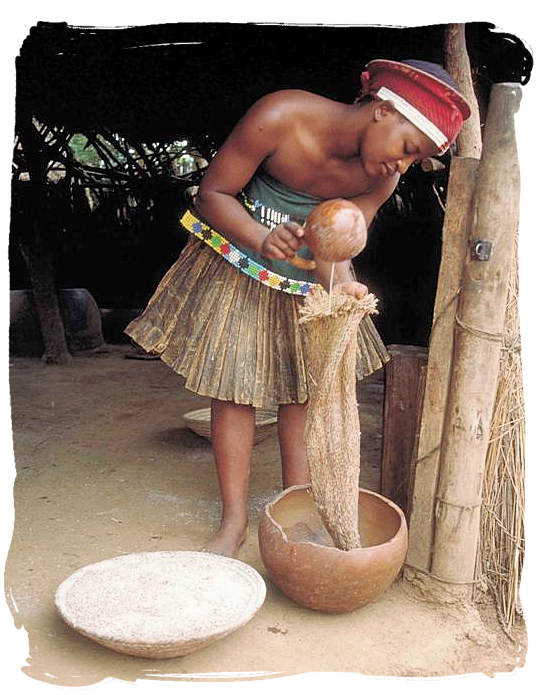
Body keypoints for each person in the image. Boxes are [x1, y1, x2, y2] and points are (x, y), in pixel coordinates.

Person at [125, 58, 470, 557]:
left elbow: (337, 252)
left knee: (302, 393)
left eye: (415, 161)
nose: (403, 165)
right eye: (407, 149)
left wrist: (344, 288)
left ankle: (294, 510)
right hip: (240, 263)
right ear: (382, 110)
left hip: (304, 285)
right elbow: (212, 194)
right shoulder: (281, 116)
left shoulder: (380, 180)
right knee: (233, 390)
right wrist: (262, 237)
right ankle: (234, 521)